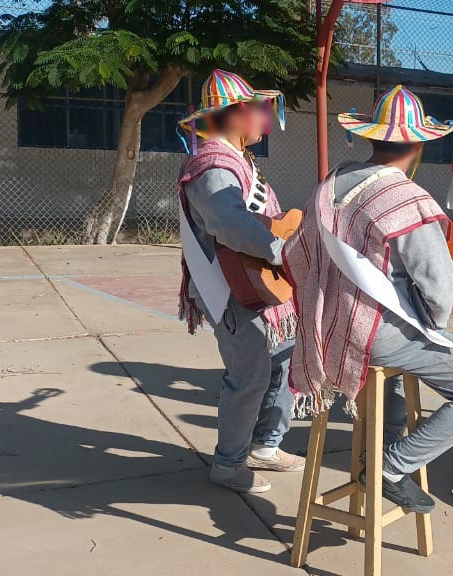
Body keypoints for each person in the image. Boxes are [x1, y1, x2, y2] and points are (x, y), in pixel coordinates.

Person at [286, 85, 453, 513]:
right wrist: (431, 326)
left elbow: (299, 251)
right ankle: (391, 466)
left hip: (326, 326)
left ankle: (383, 445)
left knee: (405, 368)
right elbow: (440, 285)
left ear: (371, 137)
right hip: (375, 333)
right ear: (419, 145)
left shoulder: (329, 185)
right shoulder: (406, 197)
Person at [175, 70, 301, 494]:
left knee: (283, 359)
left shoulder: (237, 158)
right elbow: (226, 221)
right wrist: (281, 250)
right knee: (249, 371)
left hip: (251, 281)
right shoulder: (213, 164)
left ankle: (265, 444)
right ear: (237, 114)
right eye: (258, 110)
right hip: (226, 287)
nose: (264, 119)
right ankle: (228, 463)